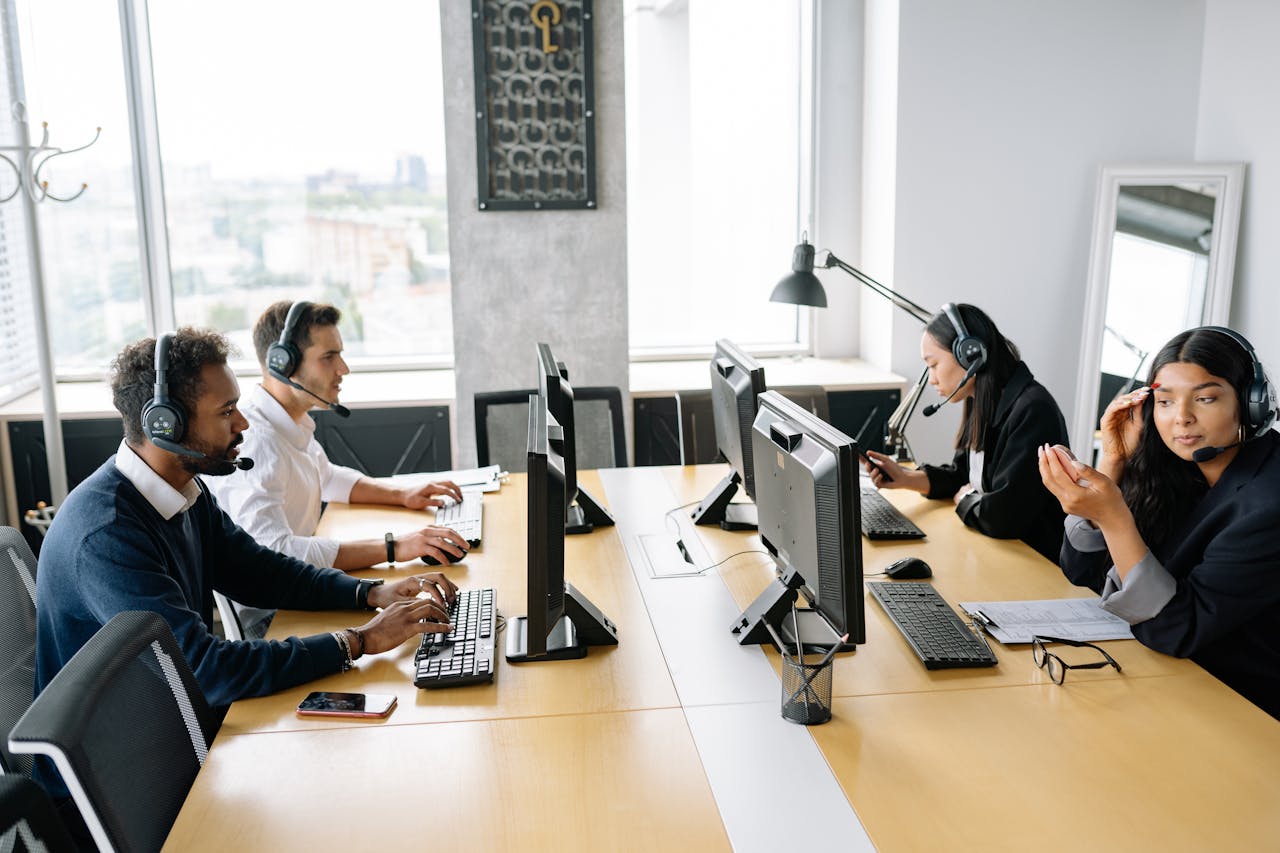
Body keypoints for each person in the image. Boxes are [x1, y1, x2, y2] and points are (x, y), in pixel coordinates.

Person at [34, 328, 457, 779]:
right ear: (166, 424)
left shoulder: (183, 490)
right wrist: (360, 641)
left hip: (172, 729)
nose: (243, 424)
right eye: (225, 412)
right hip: (122, 778)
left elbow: (261, 572)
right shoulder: (108, 537)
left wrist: (371, 594)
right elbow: (206, 670)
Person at [1039, 327, 1280, 720]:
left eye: (1205, 398)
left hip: (1247, 710)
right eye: (1165, 402)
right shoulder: (1179, 470)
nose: (1181, 418)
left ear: (1250, 404)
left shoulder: (1269, 502)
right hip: (1180, 683)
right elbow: (1082, 570)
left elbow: (1176, 627)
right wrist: (1113, 462)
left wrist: (1114, 517)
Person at [204, 301, 469, 636]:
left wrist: (404, 495)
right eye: (329, 357)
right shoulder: (258, 441)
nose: (343, 369)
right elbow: (276, 553)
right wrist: (395, 547)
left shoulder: (287, 423)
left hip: (301, 591)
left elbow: (326, 477)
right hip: (275, 620)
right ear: (282, 363)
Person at [864, 303, 1070, 561]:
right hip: (998, 553)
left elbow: (1004, 517)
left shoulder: (1032, 411)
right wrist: (906, 478)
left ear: (970, 356)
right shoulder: (983, 398)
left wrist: (966, 500)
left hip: (1034, 561)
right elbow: (963, 475)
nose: (932, 378)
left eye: (934, 364)